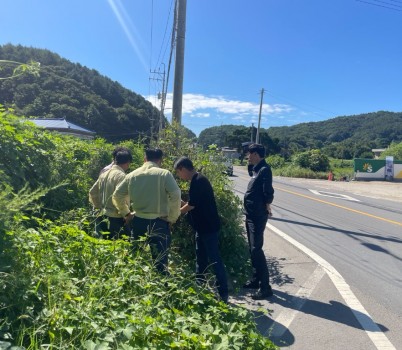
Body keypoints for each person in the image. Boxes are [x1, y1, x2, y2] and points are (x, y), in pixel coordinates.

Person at [113, 148, 181, 274]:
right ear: (160, 160)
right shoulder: (164, 174)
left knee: (135, 259)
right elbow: (176, 195)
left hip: (138, 221)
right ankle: (161, 287)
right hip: (159, 222)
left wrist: (126, 213)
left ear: (145, 159)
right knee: (160, 262)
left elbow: (117, 195)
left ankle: (134, 285)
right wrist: (172, 218)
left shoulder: (132, 175)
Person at [174, 156, 229, 303]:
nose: (180, 177)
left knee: (214, 259)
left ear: (183, 169)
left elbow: (191, 205)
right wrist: (179, 201)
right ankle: (199, 286)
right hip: (202, 227)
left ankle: (223, 292)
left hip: (208, 228)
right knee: (201, 257)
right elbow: (193, 203)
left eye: (179, 173)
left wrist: (176, 213)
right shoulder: (197, 180)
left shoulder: (199, 181)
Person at [243, 143, 275, 300]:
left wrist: (267, 205)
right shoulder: (256, 169)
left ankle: (265, 287)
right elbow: (251, 174)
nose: (247, 156)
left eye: (249, 154)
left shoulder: (265, 170)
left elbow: (268, 191)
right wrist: (250, 164)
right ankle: (256, 280)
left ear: (256, 154)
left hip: (257, 215)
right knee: (252, 248)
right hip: (250, 214)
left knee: (256, 249)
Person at [89, 149, 133, 239]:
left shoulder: (104, 174)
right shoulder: (121, 176)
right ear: (128, 162)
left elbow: (92, 192)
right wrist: (127, 214)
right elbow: (118, 197)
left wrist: (98, 206)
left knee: (106, 244)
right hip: (116, 218)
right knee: (123, 245)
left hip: (103, 215)